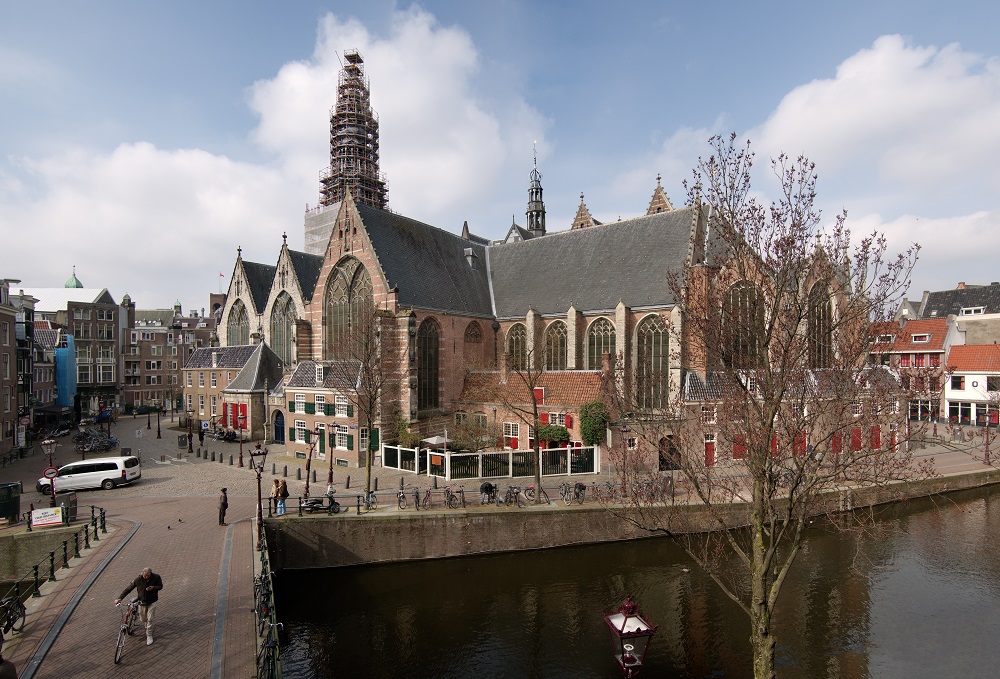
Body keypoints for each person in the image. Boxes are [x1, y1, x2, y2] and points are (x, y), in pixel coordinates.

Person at [115, 567, 163, 646]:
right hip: (142, 602)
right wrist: (120, 598)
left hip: (152, 601)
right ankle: (147, 625)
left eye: (148, 576)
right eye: (145, 576)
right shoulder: (138, 580)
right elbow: (128, 589)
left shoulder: (156, 577)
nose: (146, 577)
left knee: (150, 619)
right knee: (143, 619)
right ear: (142, 574)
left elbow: (160, 586)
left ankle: (149, 635)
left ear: (150, 574)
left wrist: (153, 588)